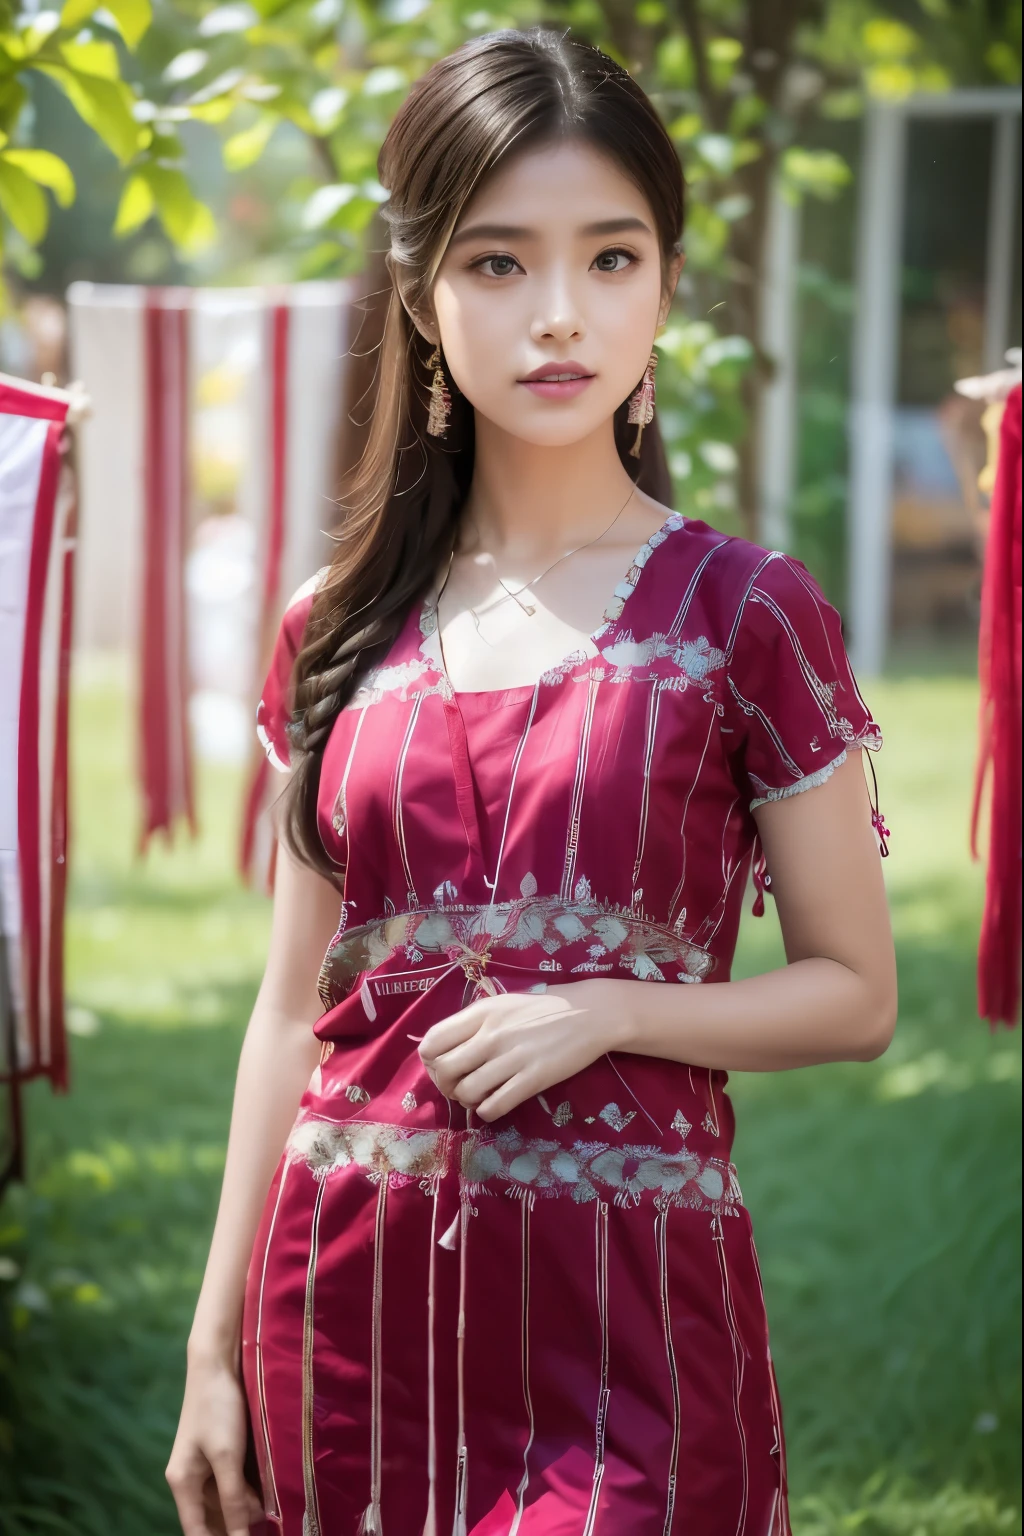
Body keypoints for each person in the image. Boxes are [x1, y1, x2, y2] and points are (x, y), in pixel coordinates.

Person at [166, 28, 897, 1536]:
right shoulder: (335, 627)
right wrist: (210, 1342)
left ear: (666, 286)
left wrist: (617, 1011)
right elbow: (292, 1005)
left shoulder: (745, 614)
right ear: (426, 300)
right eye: (499, 265)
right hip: (345, 1313)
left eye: (610, 259)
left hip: (629, 1325)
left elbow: (855, 990)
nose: (560, 315)